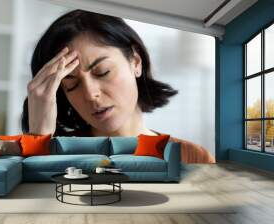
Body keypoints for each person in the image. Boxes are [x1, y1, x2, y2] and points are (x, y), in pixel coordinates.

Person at [21, 9, 215, 163]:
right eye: (72, 84)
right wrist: (39, 135)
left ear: (136, 62)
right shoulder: (55, 155)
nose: (90, 94)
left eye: (103, 71)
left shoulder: (193, 157)